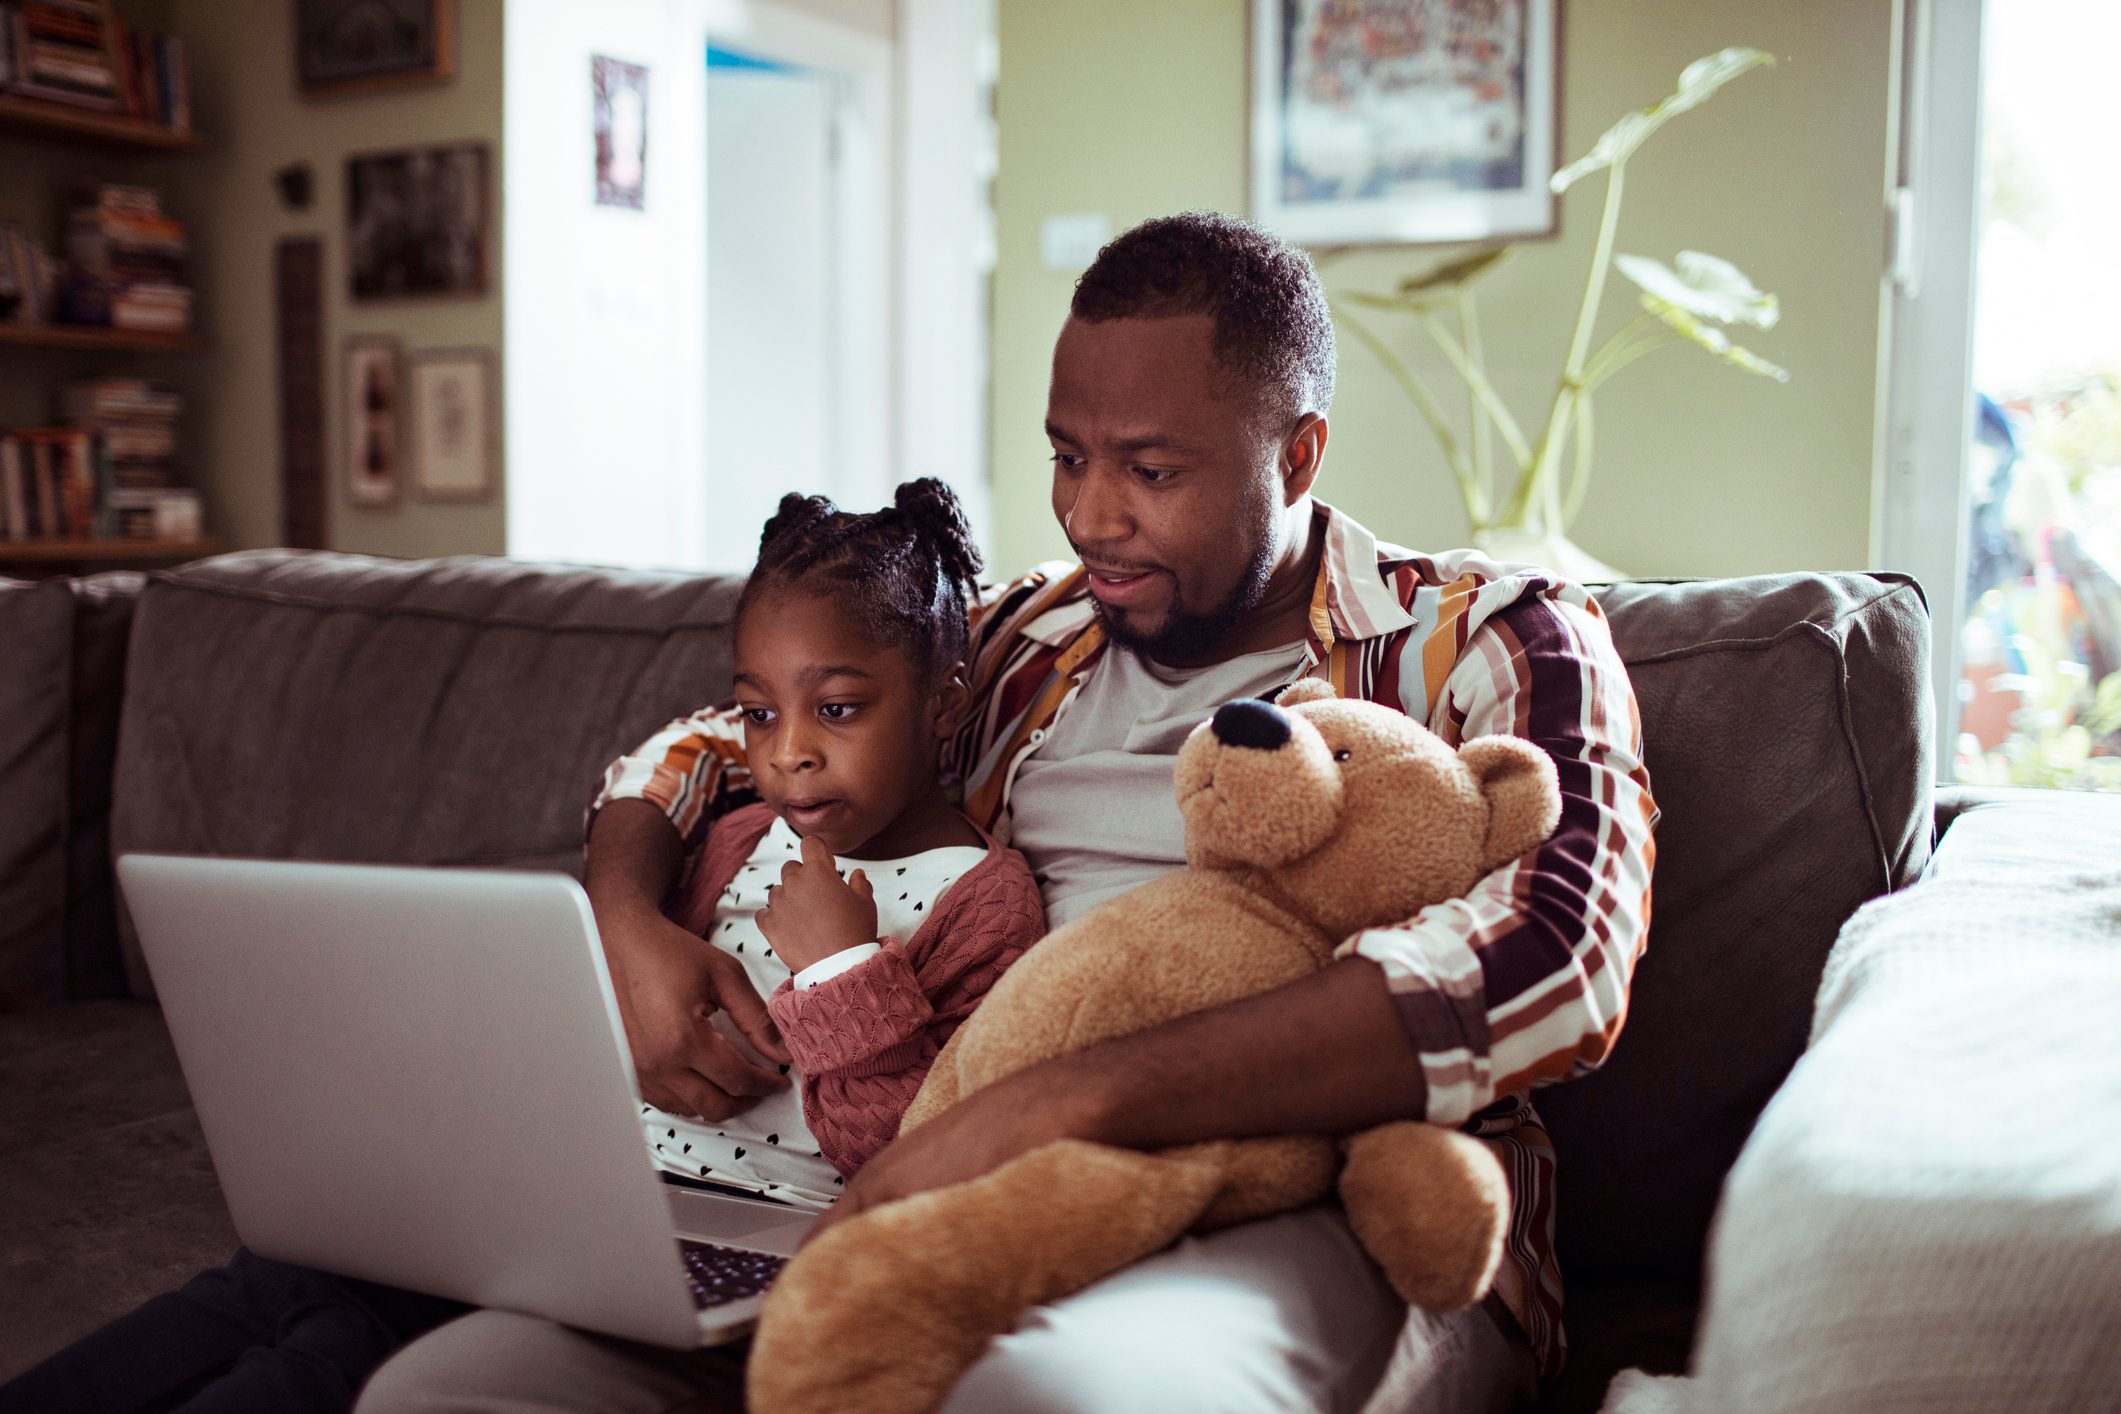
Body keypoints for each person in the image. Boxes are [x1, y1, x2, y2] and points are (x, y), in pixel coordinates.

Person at [359, 211, 1658, 1413]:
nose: (1091, 514)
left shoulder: (1488, 633)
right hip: (931, 1169)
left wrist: (1056, 1101)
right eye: (1067, 456)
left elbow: (1563, 952)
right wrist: (624, 920)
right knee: (451, 1385)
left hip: (1320, 1190)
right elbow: (705, 743)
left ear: (1298, 451)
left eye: (1148, 468)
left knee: (1048, 1401)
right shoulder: (1029, 631)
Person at [0, 479, 1041, 1414]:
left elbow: (915, 1158)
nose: (788, 752)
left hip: (771, 1237)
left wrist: (838, 970)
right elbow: (611, 1004)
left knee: (336, 1349)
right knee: (270, 1282)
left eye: (840, 708)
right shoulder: (732, 838)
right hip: (595, 1198)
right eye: (760, 713)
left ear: (946, 696)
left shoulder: (986, 904)